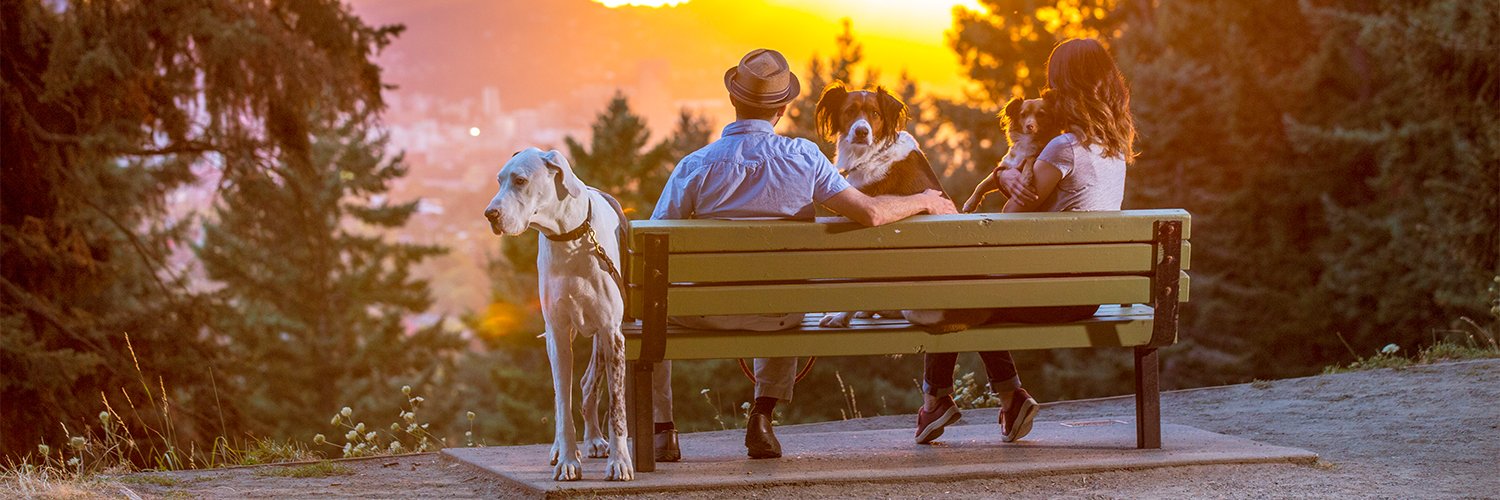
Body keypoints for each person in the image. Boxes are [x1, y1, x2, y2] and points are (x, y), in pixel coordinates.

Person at [650, 48, 956, 461]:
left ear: (734, 100)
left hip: (702, 312)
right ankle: (762, 414)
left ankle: (663, 432)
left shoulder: (695, 165)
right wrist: (924, 199)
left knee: (652, 315)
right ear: (781, 109)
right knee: (780, 294)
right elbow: (870, 213)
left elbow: (657, 237)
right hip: (779, 313)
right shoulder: (804, 157)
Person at [913, 38, 1137, 445]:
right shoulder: (1114, 146)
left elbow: (1010, 220)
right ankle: (1009, 398)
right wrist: (1005, 176)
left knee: (955, 293)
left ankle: (937, 399)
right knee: (979, 298)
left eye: (1053, 83)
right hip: (1092, 293)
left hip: (1054, 293)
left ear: (1063, 86)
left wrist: (1002, 178)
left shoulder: (1063, 147)